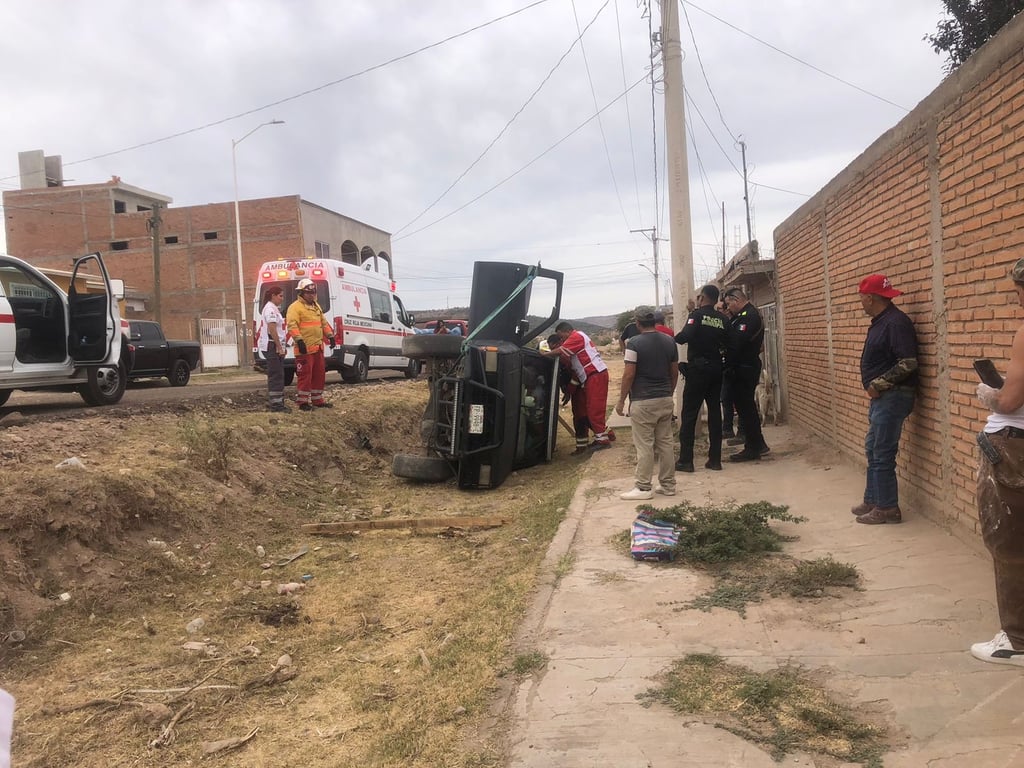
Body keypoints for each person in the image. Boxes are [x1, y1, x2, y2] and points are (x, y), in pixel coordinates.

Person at [973, 256, 1024, 667]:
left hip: (1013, 448)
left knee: (1008, 541)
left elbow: (1009, 401)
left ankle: (1018, 642)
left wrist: (988, 393)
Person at [851, 274, 917, 524]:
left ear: (870, 297)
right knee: (872, 448)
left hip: (893, 396)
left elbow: (908, 363)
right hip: (883, 398)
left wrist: (879, 384)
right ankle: (873, 499)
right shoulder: (882, 321)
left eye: (861, 297)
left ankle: (888, 507)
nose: (860, 302)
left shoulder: (895, 323)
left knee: (882, 451)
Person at [616, 307, 679, 499]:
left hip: (643, 400)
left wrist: (621, 401)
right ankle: (668, 485)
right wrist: (669, 391)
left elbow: (629, 374)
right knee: (666, 443)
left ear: (637, 323)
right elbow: (674, 371)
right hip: (664, 398)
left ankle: (643, 487)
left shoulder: (633, 343)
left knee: (644, 445)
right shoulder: (669, 341)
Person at [674, 285, 729, 472]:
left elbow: (683, 337)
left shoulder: (696, 316)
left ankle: (686, 460)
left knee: (689, 415)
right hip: (716, 369)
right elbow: (728, 342)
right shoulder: (722, 319)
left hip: (698, 370)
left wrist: (678, 334)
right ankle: (715, 460)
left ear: (702, 297)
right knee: (715, 413)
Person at [545, 321, 614, 449]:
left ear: (567, 331)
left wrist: (544, 355)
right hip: (588, 378)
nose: (562, 340)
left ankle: (603, 439)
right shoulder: (575, 341)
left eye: (562, 336)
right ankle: (601, 437)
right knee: (588, 410)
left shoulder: (576, 337)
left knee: (592, 409)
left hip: (594, 375)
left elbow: (570, 367)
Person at [722, 287, 770, 461]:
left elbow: (737, 342)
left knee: (746, 408)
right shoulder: (741, 316)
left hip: (745, 366)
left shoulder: (749, 316)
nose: (728, 308)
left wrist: (727, 360)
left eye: (729, 304)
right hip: (742, 366)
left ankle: (753, 448)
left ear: (737, 300)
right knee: (745, 409)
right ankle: (758, 444)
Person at [286, 278, 337, 411]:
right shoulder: (295, 307)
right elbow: (292, 325)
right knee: (305, 376)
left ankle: (317, 400)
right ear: (302, 293)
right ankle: (302, 402)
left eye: (313, 292)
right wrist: (299, 340)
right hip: (304, 349)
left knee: (319, 375)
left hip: (318, 348)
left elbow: (323, 323)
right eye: (309, 293)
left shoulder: (316, 306)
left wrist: (330, 336)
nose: (312, 295)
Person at [548, 333, 590, 454]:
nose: (553, 351)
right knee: (579, 416)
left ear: (558, 344)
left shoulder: (565, 357)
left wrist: (569, 392)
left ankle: (603, 435)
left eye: (553, 348)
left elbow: (576, 374)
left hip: (580, 389)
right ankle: (582, 445)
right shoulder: (562, 356)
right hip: (576, 390)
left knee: (582, 416)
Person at [258, 286, 290, 412]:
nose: (282, 299)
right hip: (272, 346)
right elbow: (272, 329)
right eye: (280, 296)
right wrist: (279, 346)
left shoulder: (274, 308)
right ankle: (276, 405)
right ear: (273, 296)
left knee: (279, 374)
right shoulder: (270, 309)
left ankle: (278, 402)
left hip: (275, 345)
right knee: (276, 375)